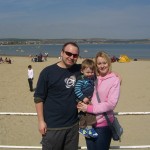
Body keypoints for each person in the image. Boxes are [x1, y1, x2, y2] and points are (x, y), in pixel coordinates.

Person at [34, 42, 81, 150]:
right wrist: (41, 121)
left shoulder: (80, 69)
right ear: (61, 53)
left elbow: (99, 68)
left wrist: (115, 75)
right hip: (52, 128)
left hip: (73, 126)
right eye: (68, 53)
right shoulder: (48, 72)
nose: (71, 57)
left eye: (75, 55)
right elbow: (38, 98)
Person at [77, 51, 121, 150]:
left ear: (109, 63)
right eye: (99, 63)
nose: (102, 66)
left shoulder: (114, 80)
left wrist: (89, 108)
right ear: (96, 65)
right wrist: (82, 102)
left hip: (103, 124)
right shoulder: (93, 77)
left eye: (104, 63)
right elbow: (87, 92)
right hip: (89, 123)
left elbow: (111, 104)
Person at [74, 59, 98, 138]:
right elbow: (77, 90)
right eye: (87, 72)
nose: (90, 74)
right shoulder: (81, 80)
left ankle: (82, 128)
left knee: (83, 114)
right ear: (82, 71)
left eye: (91, 72)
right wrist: (83, 98)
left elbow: (98, 74)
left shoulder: (91, 78)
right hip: (82, 98)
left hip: (88, 98)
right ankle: (90, 128)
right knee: (90, 112)